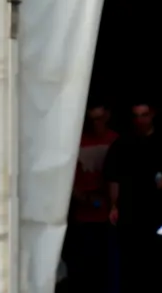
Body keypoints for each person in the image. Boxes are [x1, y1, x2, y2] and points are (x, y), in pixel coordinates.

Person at [104, 102, 162, 293]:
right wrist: (114, 205)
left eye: (144, 115)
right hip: (131, 215)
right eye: (136, 115)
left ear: (152, 115)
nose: (140, 120)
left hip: (159, 215)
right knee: (131, 268)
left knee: (159, 268)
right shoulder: (122, 144)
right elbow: (113, 178)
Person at [65, 103, 119, 292]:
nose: (96, 123)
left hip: (110, 217)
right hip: (84, 215)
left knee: (108, 271)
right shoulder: (77, 142)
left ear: (108, 116)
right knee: (85, 271)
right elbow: (67, 180)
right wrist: (89, 201)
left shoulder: (116, 140)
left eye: (99, 118)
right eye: (92, 119)